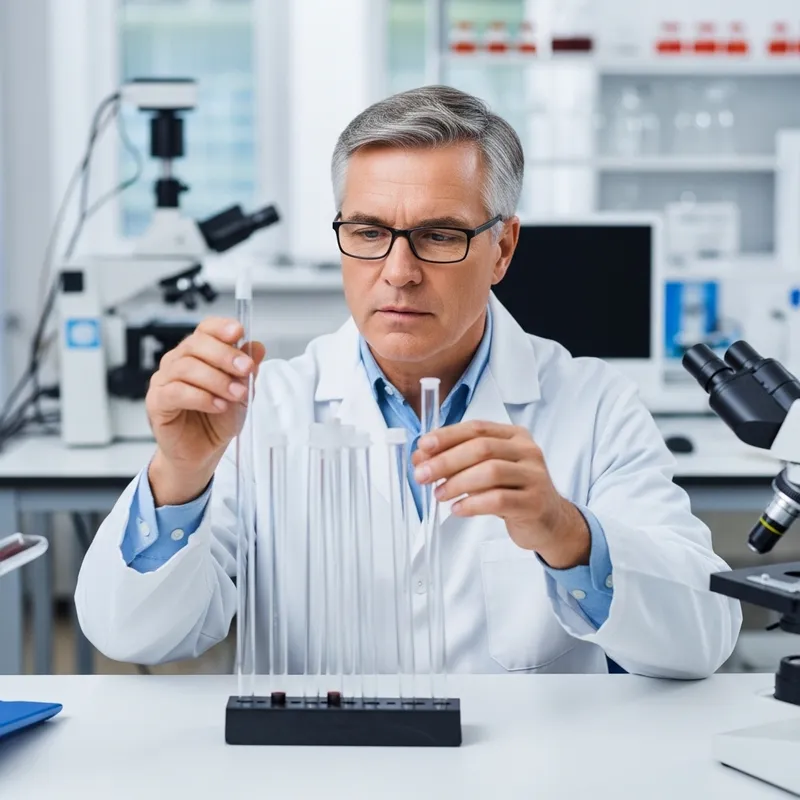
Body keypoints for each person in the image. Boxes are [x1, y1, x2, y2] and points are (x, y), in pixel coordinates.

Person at [75, 86, 741, 677]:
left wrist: (564, 532)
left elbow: (703, 637)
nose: (398, 271)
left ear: (502, 249)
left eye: (439, 235)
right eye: (367, 231)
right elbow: (134, 634)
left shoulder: (594, 405)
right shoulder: (266, 409)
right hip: (325, 768)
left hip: (526, 775)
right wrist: (179, 472)